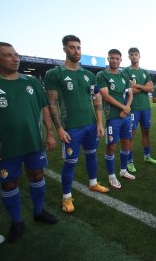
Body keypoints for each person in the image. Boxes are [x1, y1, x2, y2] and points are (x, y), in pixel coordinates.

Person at [0, 42, 58, 243]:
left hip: (33, 142)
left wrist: (50, 134)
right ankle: (17, 221)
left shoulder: (31, 82)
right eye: (8, 55)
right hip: (4, 147)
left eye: (16, 54)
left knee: (37, 174)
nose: (15, 58)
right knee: (9, 182)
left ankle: (38, 211)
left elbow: (45, 108)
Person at [45, 35, 109, 214]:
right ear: (65, 49)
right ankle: (66, 197)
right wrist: (59, 128)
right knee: (70, 162)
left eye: (78, 47)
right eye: (72, 47)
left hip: (90, 125)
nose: (76, 51)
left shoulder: (89, 75)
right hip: (71, 127)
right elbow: (52, 103)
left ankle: (93, 183)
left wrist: (99, 123)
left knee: (91, 155)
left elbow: (97, 99)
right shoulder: (54, 74)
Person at [97, 49, 135, 189]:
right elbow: (105, 96)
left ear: (121, 60)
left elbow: (130, 94)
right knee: (111, 146)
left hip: (125, 117)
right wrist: (123, 107)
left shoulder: (124, 75)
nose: (114, 60)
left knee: (126, 143)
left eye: (117, 58)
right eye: (112, 58)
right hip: (112, 117)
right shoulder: (102, 75)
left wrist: (127, 107)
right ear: (108, 59)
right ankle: (112, 175)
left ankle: (123, 170)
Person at [123, 47, 156, 170]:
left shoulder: (144, 71)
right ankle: (129, 161)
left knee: (146, 132)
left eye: (136, 54)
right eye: (131, 54)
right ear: (129, 57)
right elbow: (128, 89)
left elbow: (151, 88)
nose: (134, 56)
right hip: (133, 108)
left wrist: (137, 86)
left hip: (145, 108)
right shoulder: (126, 72)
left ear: (139, 56)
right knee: (130, 135)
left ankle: (147, 156)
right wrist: (144, 88)